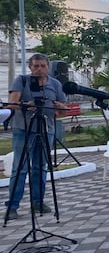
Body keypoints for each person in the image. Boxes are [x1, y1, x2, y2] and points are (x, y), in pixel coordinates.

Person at [4, 53, 67, 220]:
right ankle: (12, 206)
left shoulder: (55, 84)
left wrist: (60, 107)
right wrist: (26, 106)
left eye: (43, 66)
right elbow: (12, 104)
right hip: (23, 129)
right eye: (36, 66)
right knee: (20, 167)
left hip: (47, 129)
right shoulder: (22, 80)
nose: (39, 69)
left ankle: (38, 202)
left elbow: (62, 110)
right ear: (30, 67)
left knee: (41, 167)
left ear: (48, 67)